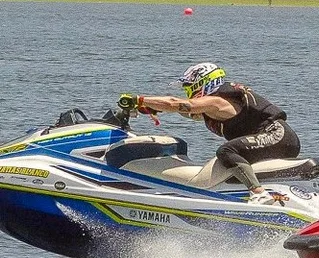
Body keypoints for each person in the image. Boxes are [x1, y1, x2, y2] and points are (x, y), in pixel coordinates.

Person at [119, 63, 300, 205]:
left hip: (277, 135)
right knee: (227, 156)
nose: (187, 91)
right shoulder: (214, 107)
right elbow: (184, 111)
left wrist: (138, 100)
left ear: (202, 83)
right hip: (275, 139)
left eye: (189, 86)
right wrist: (152, 107)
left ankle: (258, 193)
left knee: (226, 151)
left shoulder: (217, 101)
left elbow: (176, 103)